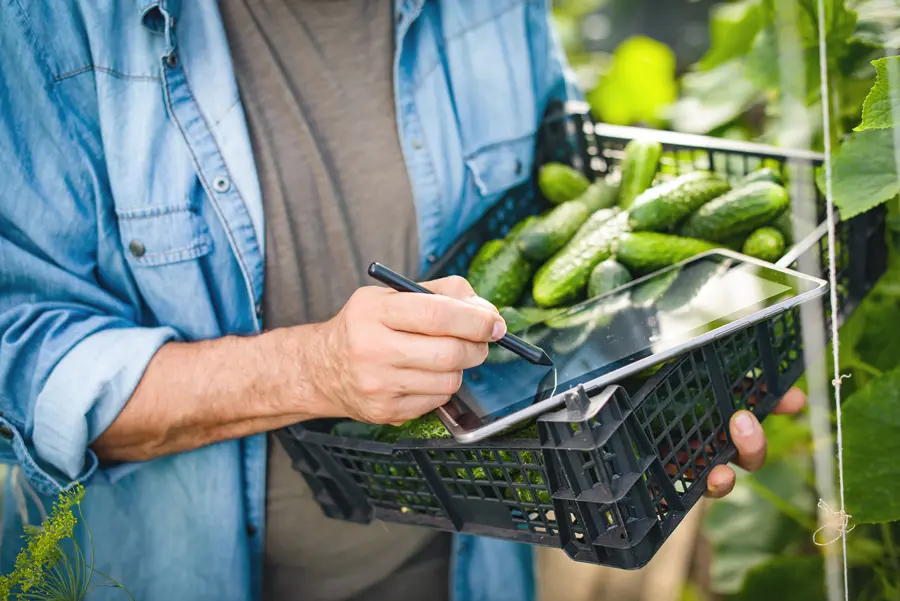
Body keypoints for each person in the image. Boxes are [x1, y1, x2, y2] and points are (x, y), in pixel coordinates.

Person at [0, 1, 806, 600]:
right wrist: (311, 369)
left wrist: (666, 404)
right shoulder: (52, 25)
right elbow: (22, 359)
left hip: (478, 570)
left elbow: (553, 212)